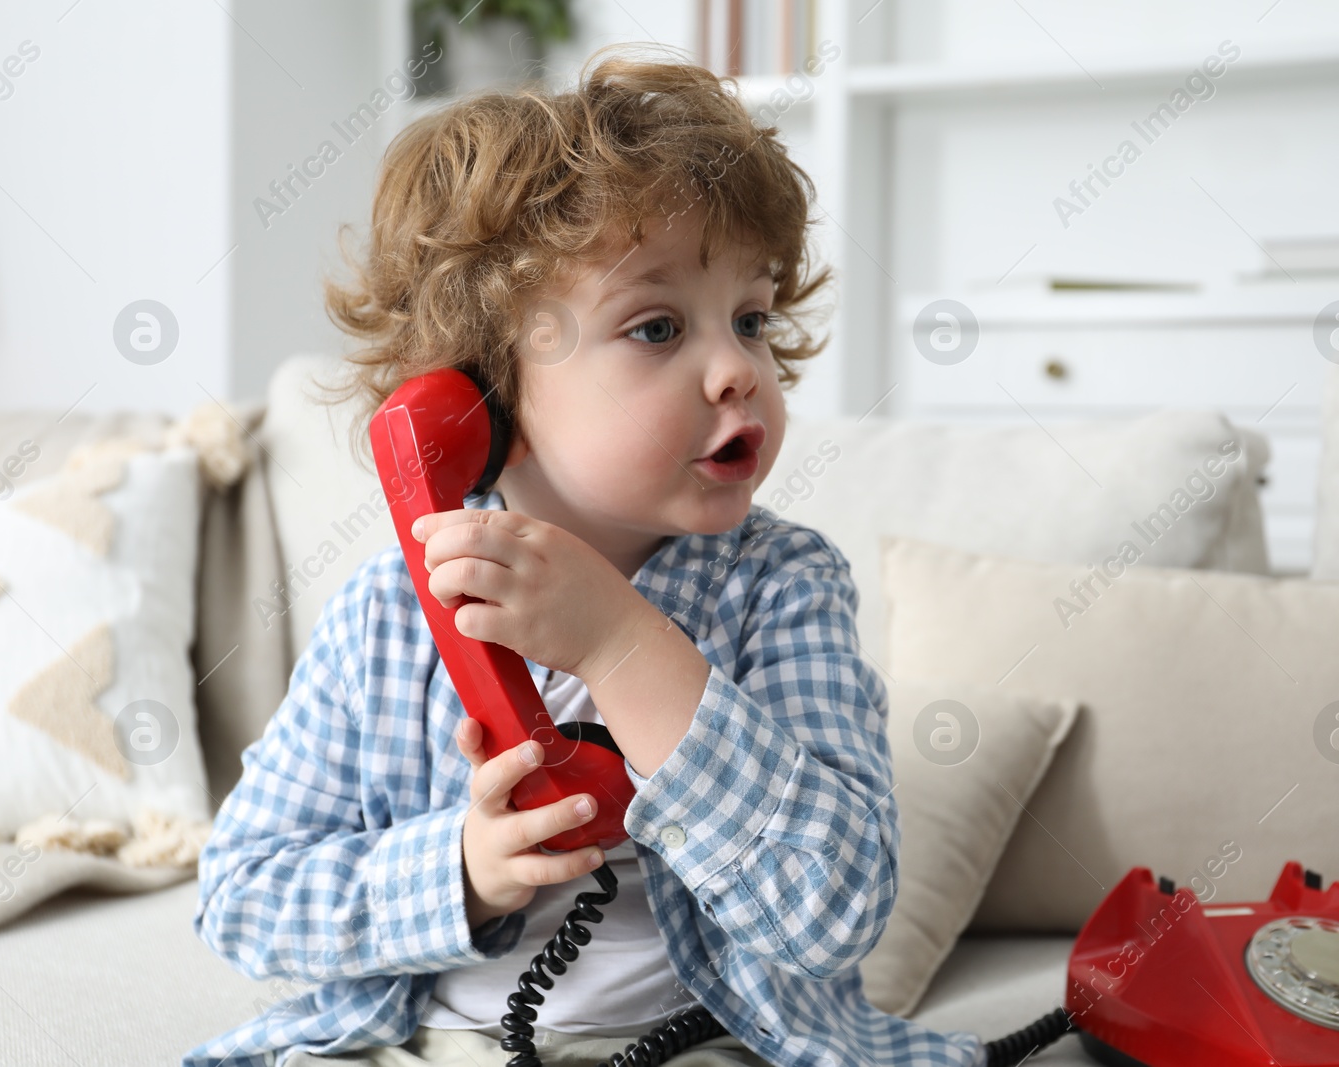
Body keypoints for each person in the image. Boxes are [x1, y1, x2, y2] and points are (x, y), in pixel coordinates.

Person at [183, 44, 990, 1067]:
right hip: (428, 1036)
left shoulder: (782, 588)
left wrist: (621, 645)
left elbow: (835, 905)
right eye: (658, 326)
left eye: (750, 316)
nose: (738, 367)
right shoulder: (386, 616)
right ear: (480, 398)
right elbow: (241, 895)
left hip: (701, 1039)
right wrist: (460, 870)